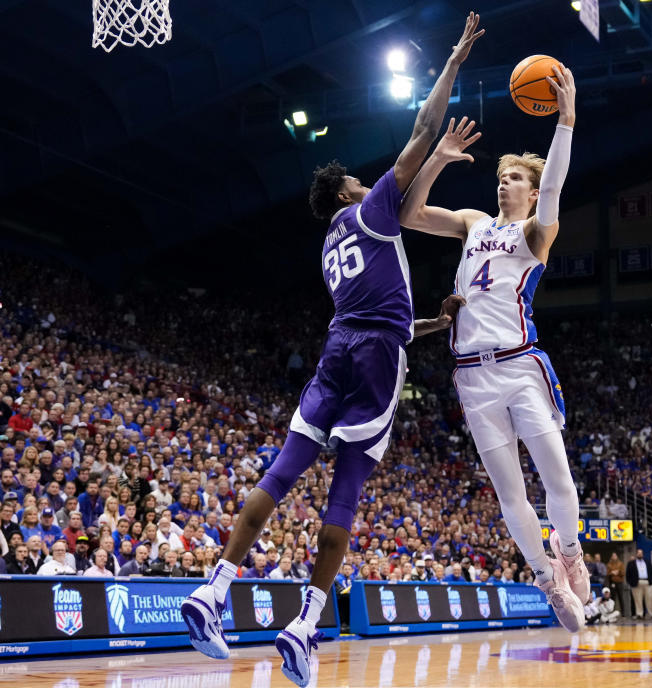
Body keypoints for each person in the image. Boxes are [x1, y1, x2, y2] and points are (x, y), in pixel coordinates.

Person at [180, 16, 485, 686]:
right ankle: (304, 622)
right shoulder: (372, 209)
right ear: (351, 191)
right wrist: (456, 61)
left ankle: (213, 589)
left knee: (280, 476)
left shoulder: (330, 246)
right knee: (344, 496)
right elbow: (420, 133)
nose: (370, 180)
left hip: (340, 349)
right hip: (372, 358)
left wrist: (434, 322)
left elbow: (382, 318)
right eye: (360, 180)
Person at [397, 62, 587, 633]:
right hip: (471, 374)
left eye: (514, 179)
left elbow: (554, 184)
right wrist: (437, 159)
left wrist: (567, 120)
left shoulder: (535, 233)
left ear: (530, 193)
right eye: (501, 177)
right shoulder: (474, 224)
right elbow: (409, 214)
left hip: (520, 365)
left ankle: (570, 553)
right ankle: (546, 578)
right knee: (509, 493)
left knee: (557, 478)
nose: (503, 183)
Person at [627, 548, 652, 620]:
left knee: (650, 598)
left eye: (641, 553)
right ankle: (639, 614)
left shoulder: (647, 562)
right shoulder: (631, 563)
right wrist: (630, 583)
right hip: (637, 583)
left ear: (642, 554)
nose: (640, 554)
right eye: (638, 553)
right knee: (638, 599)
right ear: (636, 554)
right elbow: (628, 574)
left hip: (647, 582)